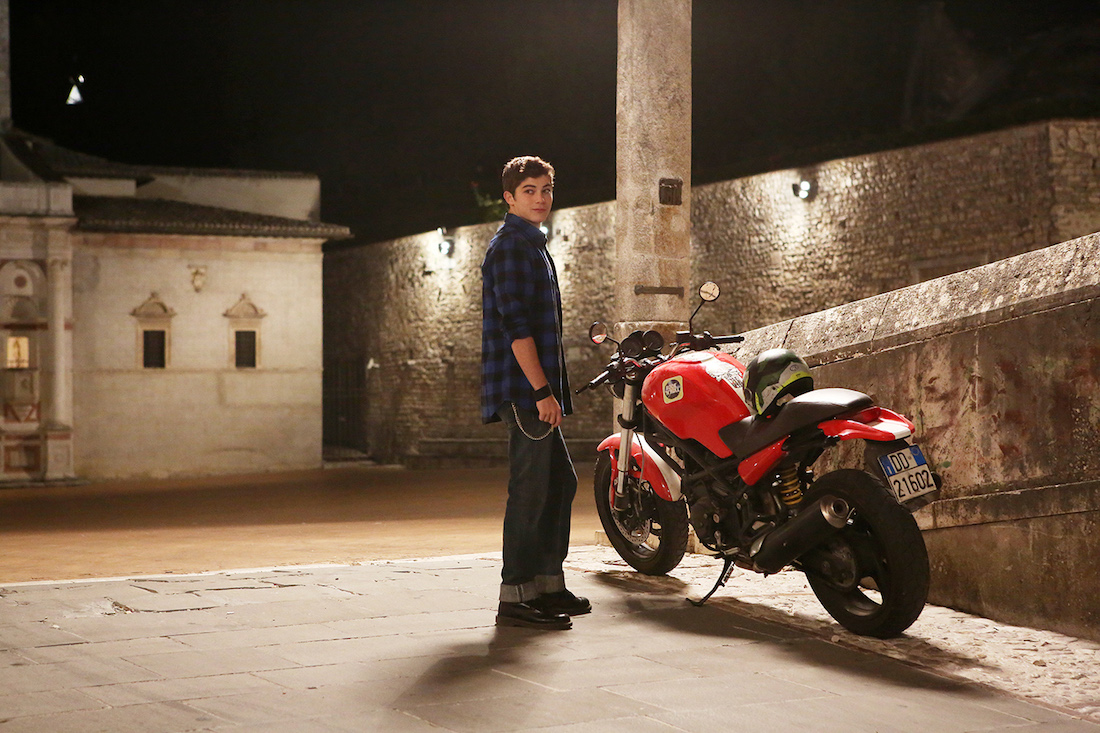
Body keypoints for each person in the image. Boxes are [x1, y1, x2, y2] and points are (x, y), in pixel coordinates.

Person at [481, 155, 590, 630]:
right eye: (529, 190)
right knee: (529, 490)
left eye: (546, 189)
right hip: (524, 389)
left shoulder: (533, 244)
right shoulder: (509, 247)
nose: (541, 198)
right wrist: (542, 391)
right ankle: (516, 596)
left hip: (535, 389)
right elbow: (516, 326)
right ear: (509, 197)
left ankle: (547, 585)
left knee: (559, 482)